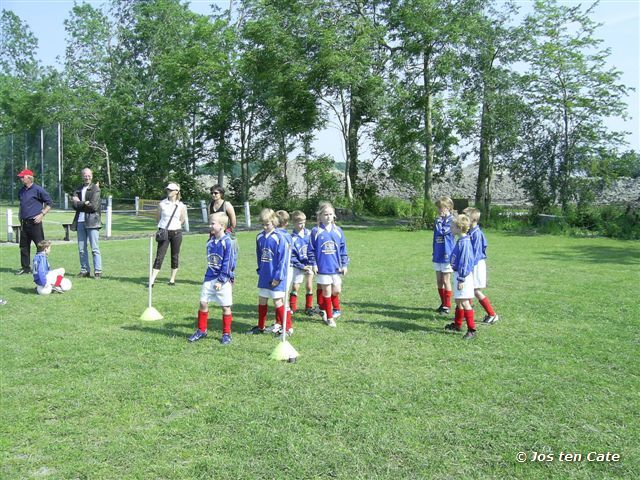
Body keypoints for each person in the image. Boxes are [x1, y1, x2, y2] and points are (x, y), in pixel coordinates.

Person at [188, 213, 237, 345]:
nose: (210, 225)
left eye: (213, 223)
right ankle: (201, 330)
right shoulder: (210, 241)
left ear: (221, 226)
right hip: (209, 277)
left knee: (225, 307)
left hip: (223, 279)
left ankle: (226, 334)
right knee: (203, 303)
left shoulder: (228, 242)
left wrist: (222, 280)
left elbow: (229, 263)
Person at [246, 208, 288, 335]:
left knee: (278, 301)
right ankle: (260, 326)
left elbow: (283, 260)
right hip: (264, 275)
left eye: (267, 224)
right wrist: (260, 269)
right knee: (262, 299)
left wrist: (278, 276)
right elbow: (259, 255)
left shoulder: (279, 237)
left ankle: (287, 328)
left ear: (274, 222)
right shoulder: (259, 237)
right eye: (262, 224)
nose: (265, 227)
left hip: (276, 276)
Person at [307, 202, 349, 328]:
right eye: (325, 214)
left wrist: (344, 264)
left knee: (336, 290)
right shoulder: (316, 231)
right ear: (320, 216)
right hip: (323, 268)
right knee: (326, 291)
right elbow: (311, 250)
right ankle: (329, 317)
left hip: (336, 268)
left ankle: (325, 308)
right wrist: (313, 264)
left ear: (334, 216)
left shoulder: (338, 231)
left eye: (331, 214)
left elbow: (343, 249)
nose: (328, 217)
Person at [464, 207, 499, 325]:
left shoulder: (477, 234)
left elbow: (476, 254)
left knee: (475, 290)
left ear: (473, 219)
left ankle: (492, 314)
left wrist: (467, 266)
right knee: (469, 289)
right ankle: (467, 311)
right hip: (472, 264)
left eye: (466, 218)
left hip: (476, 265)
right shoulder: (470, 232)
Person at [445, 214, 476, 339]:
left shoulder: (465, 243)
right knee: (458, 301)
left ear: (458, 227)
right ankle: (458, 324)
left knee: (464, 302)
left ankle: (472, 329)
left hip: (463, 276)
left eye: (452, 226)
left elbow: (465, 261)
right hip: (458, 274)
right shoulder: (461, 240)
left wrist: (461, 278)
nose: (450, 228)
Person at [16, 169, 53, 275]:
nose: (21, 179)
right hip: (24, 223)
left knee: (40, 246)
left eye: (22, 177)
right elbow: (22, 205)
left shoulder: (38, 190)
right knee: (23, 246)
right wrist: (20, 216)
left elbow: (50, 203)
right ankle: (26, 268)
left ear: (29, 178)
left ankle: (41, 267)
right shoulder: (22, 191)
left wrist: (42, 214)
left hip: (35, 223)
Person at [150, 183, 187, 286]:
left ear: (176, 192)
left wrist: (175, 225)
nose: (169, 192)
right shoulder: (162, 204)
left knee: (175, 256)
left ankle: (172, 279)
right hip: (164, 232)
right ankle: (152, 280)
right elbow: (158, 218)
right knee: (159, 256)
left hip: (176, 232)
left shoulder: (181, 205)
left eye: (171, 190)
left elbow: (182, 220)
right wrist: (163, 226)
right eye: (168, 190)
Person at [70, 168, 103, 278]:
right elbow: (74, 205)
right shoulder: (78, 189)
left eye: (89, 175)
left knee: (95, 248)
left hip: (92, 222)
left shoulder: (95, 189)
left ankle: (97, 271)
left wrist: (79, 202)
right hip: (80, 221)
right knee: (81, 248)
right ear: (82, 176)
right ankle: (84, 270)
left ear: (92, 176)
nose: (87, 177)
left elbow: (94, 206)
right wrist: (84, 203)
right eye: (85, 175)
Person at [432, 196, 455, 315]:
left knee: (446, 280)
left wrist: (440, 221)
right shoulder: (438, 221)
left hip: (447, 254)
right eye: (439, 208)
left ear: (448, 208)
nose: (440, 210)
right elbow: (435, 237)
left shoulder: (451, 221)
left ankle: (448, 305)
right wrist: (434, 251)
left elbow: (444, 232)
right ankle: (443, 303)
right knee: (439, 280)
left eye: (442, 208)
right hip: (438, 253)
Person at [289, 210, 315, 315]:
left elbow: (314, 249)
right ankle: (292, 307)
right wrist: (300, 266)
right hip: (298, 265)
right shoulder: (292, 238)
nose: (302, 225)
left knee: (309, 285)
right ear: (294, 223)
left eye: (304, 222)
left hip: (309, 264)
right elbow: (292, 256)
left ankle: (309, 307)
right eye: (299, 222)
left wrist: (311, 263)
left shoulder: (309, 234)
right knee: (295, 286)